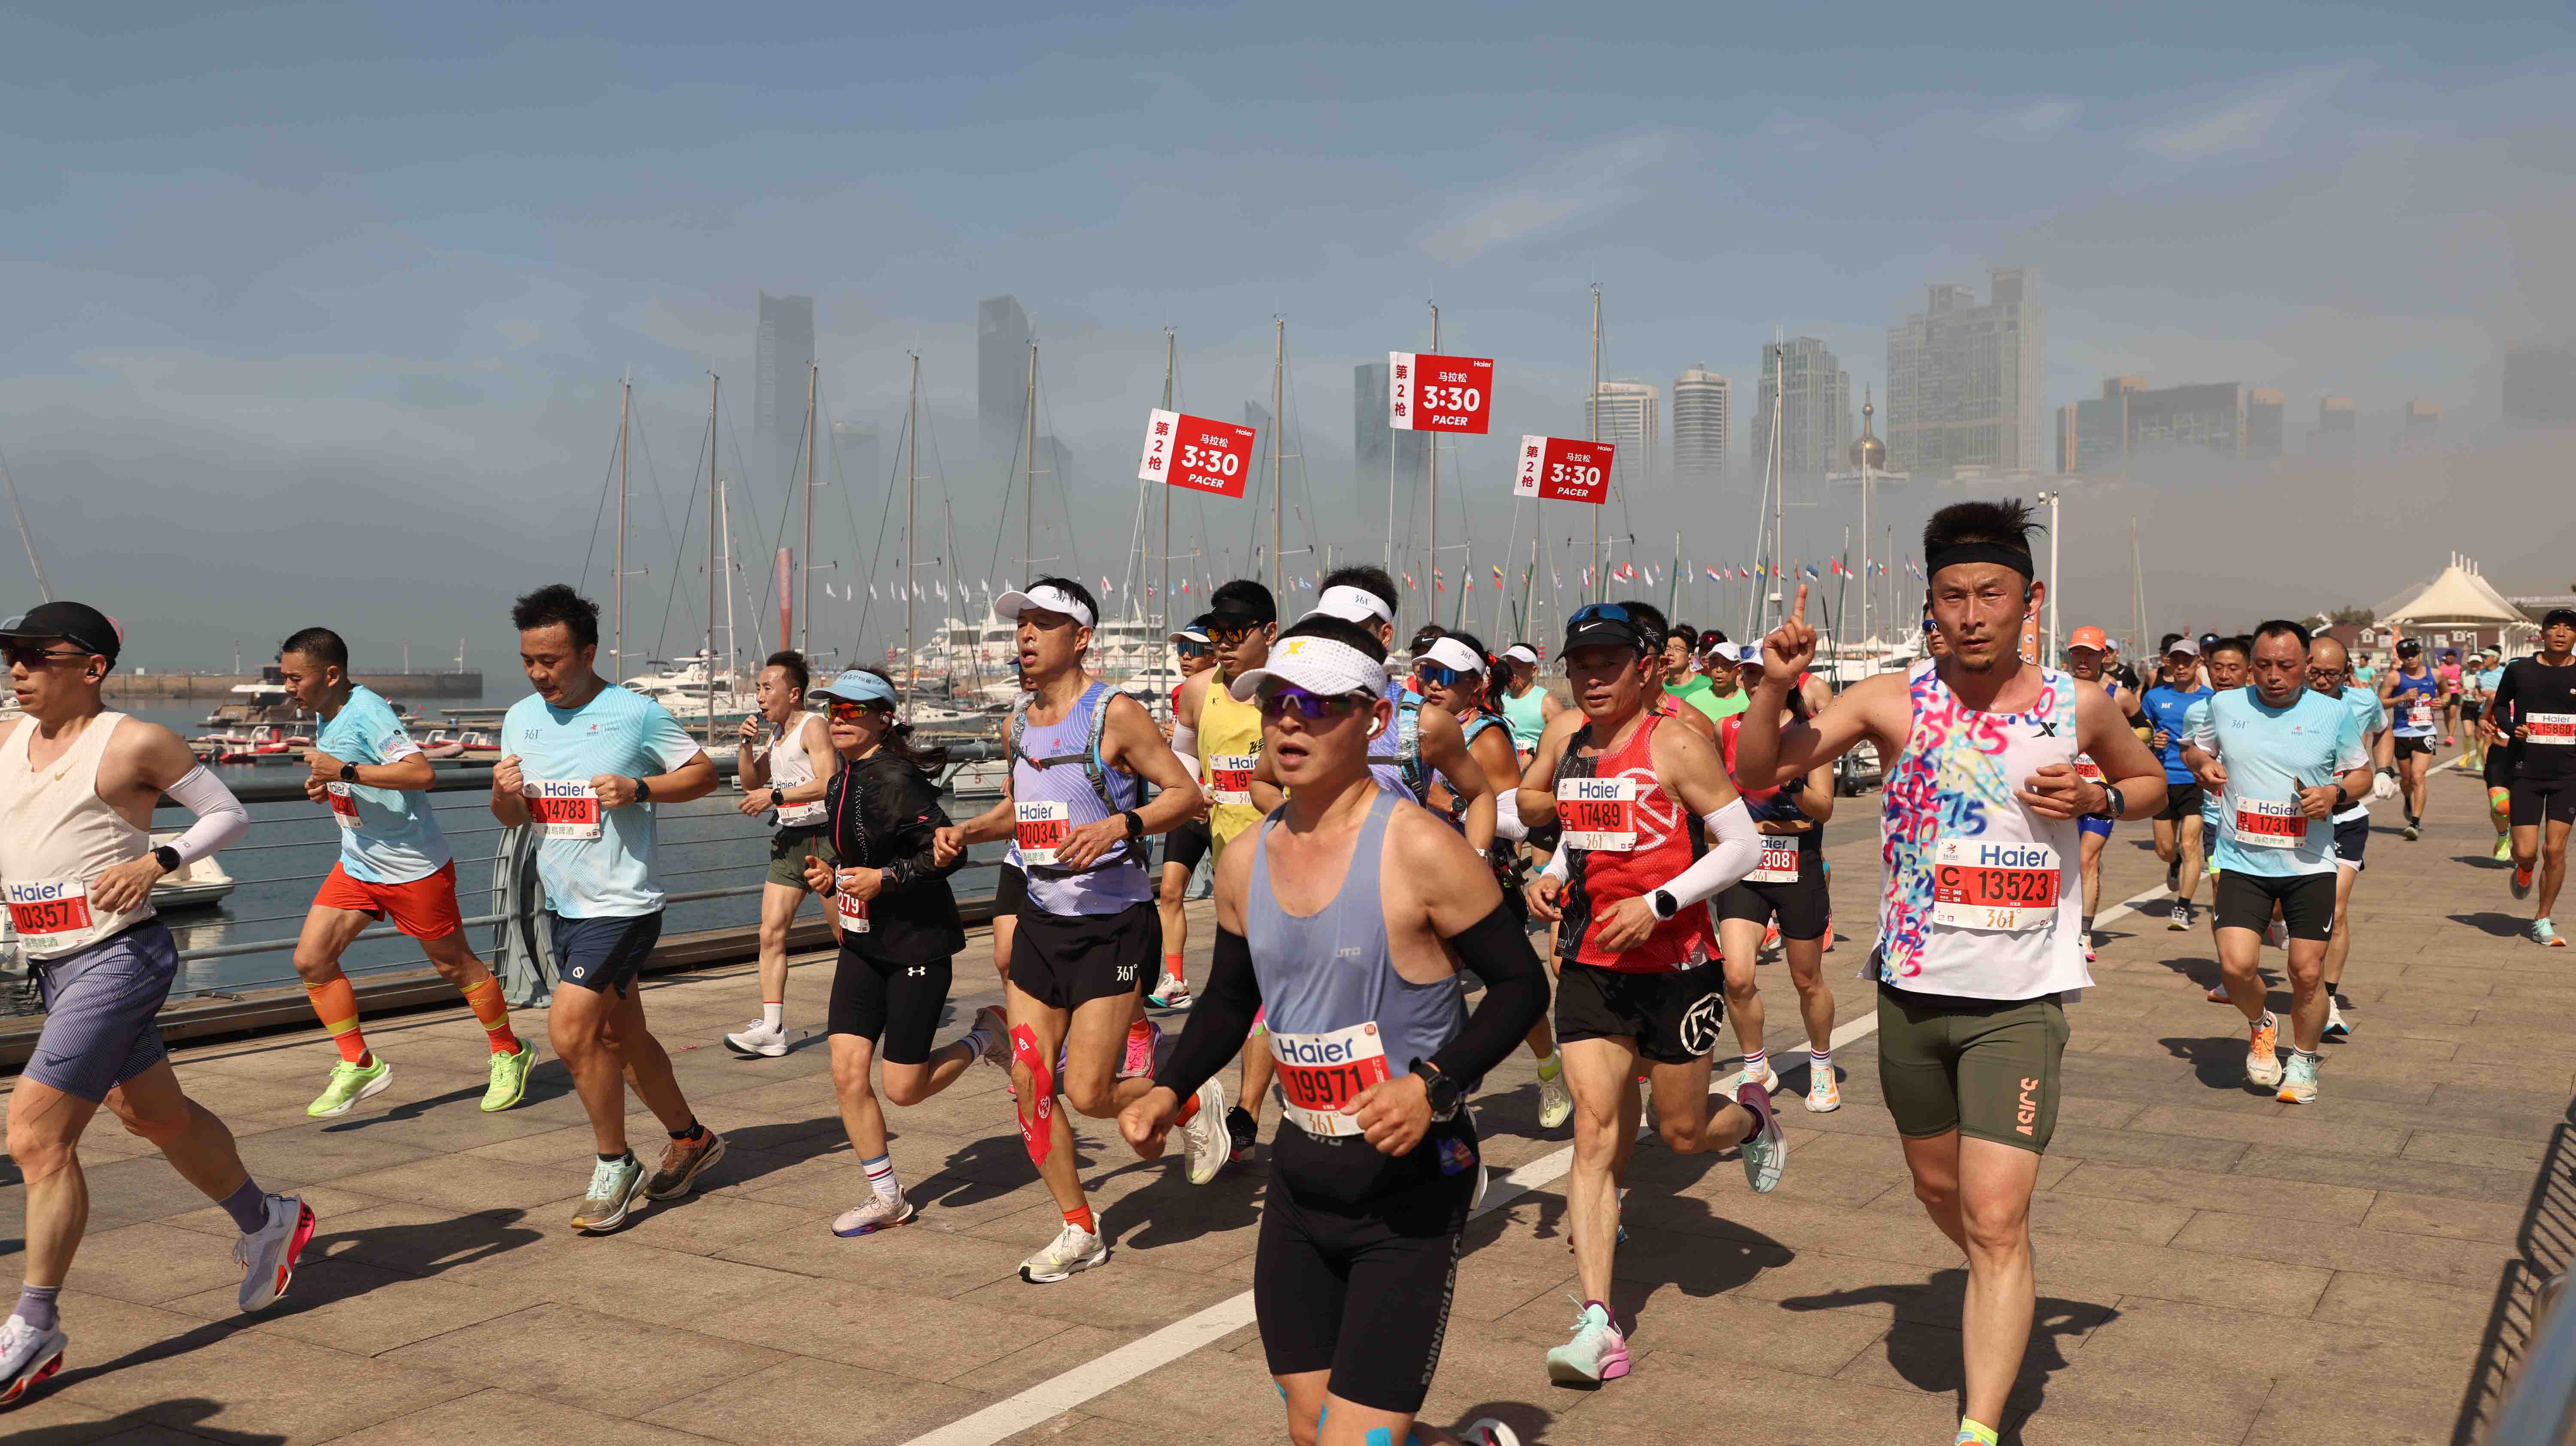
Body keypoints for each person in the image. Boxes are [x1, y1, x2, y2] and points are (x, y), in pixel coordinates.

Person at [1734, 504, 2167, 1446]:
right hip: (1913, 994)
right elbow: (1760, 767)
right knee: (1942, 1193)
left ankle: (1980, 1423)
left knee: (1997, 1214)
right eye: (1952, 597)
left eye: (1991, 595)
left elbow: (2151, 785)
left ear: (2029, 600)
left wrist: (2097, 793)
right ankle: (2000, 1272)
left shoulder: (2078, 706)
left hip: (2020, 1002)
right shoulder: (1889, 700)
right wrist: (1773, 686)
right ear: (1930, 603)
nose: (1972, 616)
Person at [1121, 613, 1541, 1446]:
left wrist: (1433, 1085)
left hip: (1411, 1183)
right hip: (1303, 1177)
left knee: (1355, 1442)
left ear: (1374, 718)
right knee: (1313, 1429)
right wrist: (1168, 1089)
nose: (1290, 722)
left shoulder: (1422, 848)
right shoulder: (1245, 859)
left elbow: (1522, 985)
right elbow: (1229, 998)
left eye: (1317, 705)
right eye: (1277, 702)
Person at [0, 601, 304, 1406]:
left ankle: (35, 1325)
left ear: (91, 666)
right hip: (51, 964)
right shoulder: (5, 739)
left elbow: (228, 812)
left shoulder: (135, 741)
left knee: (35, 1136)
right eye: (10, 655)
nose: (18, 669)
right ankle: (267, 1218)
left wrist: (157, 861)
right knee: (153, 1116)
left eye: (36, 655)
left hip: (118, 958)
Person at [1516, 601, 1783, 1387]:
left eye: (1610, 663)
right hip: (1593, 964)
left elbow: (1743, 845)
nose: (1594, 677)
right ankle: (1599, 1322)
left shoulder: (1677, 741)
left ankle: (1754, 1119)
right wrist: (1551, 875)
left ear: (1643, 668)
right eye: (1582, 664)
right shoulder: (1573, 744)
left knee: (1682, 1132)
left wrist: (1661, 903)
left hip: (1677, 966)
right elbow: (1580, 830)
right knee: (1595, 1135)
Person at [936, 578, 1223, 1283]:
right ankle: (1079, 1227)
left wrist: (1121, 824)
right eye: (1021, 624)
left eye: (1043, 623)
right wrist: (967, 831)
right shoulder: (1018, 720)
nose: (1026, 635)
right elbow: (1021, 810)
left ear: (1082, 636)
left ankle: (1189, 1097)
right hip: (1042, 921)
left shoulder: (1114, 713)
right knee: (1031, 1078)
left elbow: (1187, 795)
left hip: (1113, 924)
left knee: (1091, 1092)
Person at [491, 584, 725, 1233]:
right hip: (563, 904)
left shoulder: (635, 713)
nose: (539, 674)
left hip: (624, 904)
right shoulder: (520, 718)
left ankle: (614, 1164)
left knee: (571, 1033)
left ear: (588, 653)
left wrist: (639, 787)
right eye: (528, 661)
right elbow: (511, 816)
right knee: (624, 1038)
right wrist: (504, 793)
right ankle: (692, 1140)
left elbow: (705, 775)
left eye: (551, 661)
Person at [277, 627, 535, 1116]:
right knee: (312, 960)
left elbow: (421, 774)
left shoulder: (368, 711)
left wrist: (344, 773)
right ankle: (358, 1063)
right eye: (284, 677)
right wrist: (329, 787)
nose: (288, 687)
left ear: (330, 674)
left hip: (413, 868)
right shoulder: (325, 711)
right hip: (358, 863)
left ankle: (509, 1051)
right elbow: (355, 774)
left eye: (295, 678)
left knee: (455, 967)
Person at [799, 668, 1010, 1235]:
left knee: (904, 1089)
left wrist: (886, 879)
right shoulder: (842, 779)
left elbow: (950, 855)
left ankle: (988, 1035)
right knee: (846, 1073)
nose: (838, 720)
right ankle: (887, 1196)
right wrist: (833, 875)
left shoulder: (897, 777)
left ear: (883, 718)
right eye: (833, 710)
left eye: (852, 711)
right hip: (863, 942)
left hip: (918, 942)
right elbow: (860, 855)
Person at [2182, 622, 2373, 1106]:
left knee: (2306, 973)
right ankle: (2262, 1024)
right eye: (2263, 665)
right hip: (2242, 859)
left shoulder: (2334, 712)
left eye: (2285, 666)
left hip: (2309, 864)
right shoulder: (2225, 705)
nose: (2273, 676)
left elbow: (2363, 773)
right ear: (2251, 666)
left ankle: (2304, 1060)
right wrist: (2202, 765)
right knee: (2235, 967)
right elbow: (2197, 749)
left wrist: (2335, 793)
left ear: (2306, 665)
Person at [1409, 630, 1572, 1129]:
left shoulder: (1487, 735)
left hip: (1483, 877)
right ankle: (1445, 1087)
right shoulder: (1409, 727)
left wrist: (1452, 803)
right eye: (1427, 673)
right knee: (1430, 985)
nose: (1433, 685)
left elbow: (1519, 820)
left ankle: (1549, 1067)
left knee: (1514, 986)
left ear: (1475, 685)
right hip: (1418, 878)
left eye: (1447, 677)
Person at [1174, 580, 1286, 1163]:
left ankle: (1248, 1111)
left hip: (1293, 863)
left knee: (1273, 994)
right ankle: (1243, 1113)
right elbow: (1180, 758)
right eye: (1215, 632)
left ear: (1269, 632)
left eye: (1235, 632)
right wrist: (1189, 791)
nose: (1222, 643)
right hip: (1231, 870)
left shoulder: (1289, 692)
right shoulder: (1199, 691)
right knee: (1246, 992)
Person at [1713, 676, 1840, 1112]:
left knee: (1807, 979)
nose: (1754, 682)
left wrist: (1792, 786)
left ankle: (1821, 1063)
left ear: (1786, 682)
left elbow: (1824, 808)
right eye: (1748, 674)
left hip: (1798, 862)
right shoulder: (1727, 728)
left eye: (1762, 674)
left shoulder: (1811, 734)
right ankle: (1756, 1067)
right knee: (1736, 976)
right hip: (1745, 864)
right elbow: (1717, 793)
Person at [724, 650, 841, 1058]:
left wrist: (774, 796)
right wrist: (745, 745)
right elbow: (750, 781)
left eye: (766, 687)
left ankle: (877, 1001)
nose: (759, 696)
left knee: (845, 934)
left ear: (793, 694)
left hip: (826, 840)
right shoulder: (775, 735)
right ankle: (772, 1029)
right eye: (757, 688)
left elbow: (828, 783)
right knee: (770, 934)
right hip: (790, 840)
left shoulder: (814, 726)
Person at [2306, 636, 2394, 1039]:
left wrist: (2384, 770)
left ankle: (2328, 999)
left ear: (2347, 673)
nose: (2322, 681)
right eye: (2315, 673)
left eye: (2332, 674)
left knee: (2336, 909)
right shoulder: (2286, 702)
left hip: (2347, 816)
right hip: (2298, 821)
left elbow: (2384, 730)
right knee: (2283, 910)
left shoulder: (2362, 701)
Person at [2492, 608, 2576, 946]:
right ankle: (2524, 869)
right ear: (2542, 634)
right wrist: (2513, 728)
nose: (2561, 633)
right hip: (2526, 772)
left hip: (2569, 776)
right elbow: (2500, 706)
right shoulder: (2519, 669)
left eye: (2568, 628)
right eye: (2554, 627)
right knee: (2526, 851)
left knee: (2555, 850)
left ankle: (2542, 919)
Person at [1151, 617, 1218, 1010]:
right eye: (1181, 650)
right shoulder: (1182, 694)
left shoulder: (1238, 693)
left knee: (1235, 899)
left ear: (1216, 653)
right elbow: (1184, 751)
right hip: (1191, 807)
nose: (1184, 657)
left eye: (1193, 650)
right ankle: (1175, 980)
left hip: (1225, 808)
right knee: (1170, 891)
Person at [2063, 626, 2140, 962]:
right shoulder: (2055, 691)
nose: (2083, 660)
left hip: (2100, 793)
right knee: (2066, 861)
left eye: (2090, 654)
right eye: (2078, 653)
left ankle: (2084, 935)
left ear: (2103, 657)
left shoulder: (2118, 696)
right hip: (2064, 790)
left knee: (2087, 860)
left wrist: (2125, 743)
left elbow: (2145, 728)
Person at [2140, 638, 2214, 930]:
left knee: (2190, 844)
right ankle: (2174, 863)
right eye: (2176, 660)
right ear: (2168, 663)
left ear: (2198, 662)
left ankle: (2182, 908)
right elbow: (2139, 732)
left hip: (2196, 780)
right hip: (2163, 779)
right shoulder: (2155, 697)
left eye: (2188, 660)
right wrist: (2152, 741)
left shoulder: (2212, 699)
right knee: (2164, 848)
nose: (2182, 666)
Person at [2379, 630, 2442, 841]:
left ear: (2420, 654)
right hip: (2401, 733)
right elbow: (2380, 702)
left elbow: (2447, 693)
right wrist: (2402, 698)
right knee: (2406, 779)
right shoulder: (2395, 677)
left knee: (2418, 776)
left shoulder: (2435, 674)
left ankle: (2415, 823)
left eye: (2413, 654)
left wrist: (2443, 702)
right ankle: (2408, 799)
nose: (2410, 659)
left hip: (2426, 732)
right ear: (2400, 657)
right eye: (2405, 656)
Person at [1498, 643, 1559, 759]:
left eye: (1519, 666)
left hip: (1535, 768)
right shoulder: (1499, 698)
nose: (1512, 672)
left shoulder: (1547, 702)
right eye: (1509, 666)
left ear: (1534, 671)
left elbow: (1563, 742)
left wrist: (1534, 755)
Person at [2463, 647, 2503, 781]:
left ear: (2495, 659)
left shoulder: (2505, 672)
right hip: (2485, 712)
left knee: (2501, 743)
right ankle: (2488, 770)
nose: (2483, 659)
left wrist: (2493, 693)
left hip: (2501, 711)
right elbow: (2477, 688)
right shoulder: (2480, 673)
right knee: (2485, 741)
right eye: (2483, 657)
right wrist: (2477, 696)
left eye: (2486, 657)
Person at [2438, 648, 2465, 746]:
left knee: (2452, 713)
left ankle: (2451, 736)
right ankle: (2449, 732)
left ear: (2455, 658)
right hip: (2444, 693)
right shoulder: (2441, 667)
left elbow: (2463, 679)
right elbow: (2438, 679)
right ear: (2446, 657)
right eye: (2449, 655)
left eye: (2453, 656)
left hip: (2455, 693)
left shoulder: (2459, 667)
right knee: (2447, 714)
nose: (2451, 657)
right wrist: (2445, 680)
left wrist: (2462, 687)